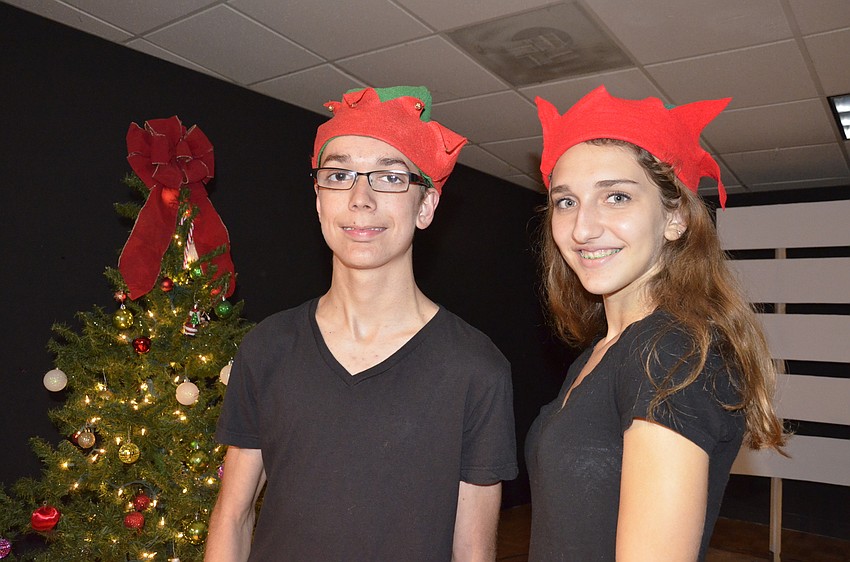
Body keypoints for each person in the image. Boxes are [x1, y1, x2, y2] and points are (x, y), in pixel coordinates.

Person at [205, 86, 518, 562]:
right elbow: (232, 516)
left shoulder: (475, 368)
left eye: (390, 177)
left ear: (426, 205)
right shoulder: (268, 346)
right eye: (339, 174)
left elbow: (473, 551)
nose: (360, 198)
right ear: (318, 199)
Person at [525, 85, 786, 561]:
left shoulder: (669, 351)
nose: (582, 228)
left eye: (617, 197)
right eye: (566, 202)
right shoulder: (605, 351)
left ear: (676, 217)